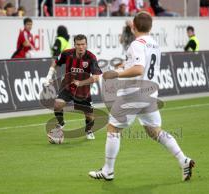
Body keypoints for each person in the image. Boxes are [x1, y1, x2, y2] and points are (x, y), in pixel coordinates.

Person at [89, 11, 195, 181]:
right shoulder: (154, 44)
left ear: (133, 26)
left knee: (113, 128)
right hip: (150, 93)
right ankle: (184, 160)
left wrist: (116, 73)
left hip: (134, 93)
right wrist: (125, 64)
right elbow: (143, 65)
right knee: (154, 131)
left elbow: (138, 69)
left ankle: (108, 170)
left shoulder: (137, 44)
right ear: (150, 27)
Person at [44, 34, 102, 140]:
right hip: (67, 86)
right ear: (74, 44)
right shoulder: (67, 54)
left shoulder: (91, 57)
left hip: (83, 91)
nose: (80, 47)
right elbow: (55, 62)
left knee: (89, 116)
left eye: (83, 44)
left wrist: (81, 83)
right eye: (78, 44)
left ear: (86, 44)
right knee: (57, 105)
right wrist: (49, 76)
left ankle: (88, 130)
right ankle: (61, 123)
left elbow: (96, 77)